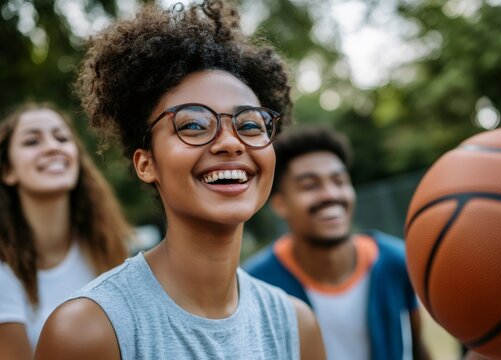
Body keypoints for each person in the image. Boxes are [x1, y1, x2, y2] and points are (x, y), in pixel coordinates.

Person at [35, 1, 325, 360]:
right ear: (146, 163)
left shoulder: (296, 326)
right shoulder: (88, 331)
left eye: (250, 124)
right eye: (193, 125)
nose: (231, 142)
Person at [244, 125, 432, 360]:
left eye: (339, 181)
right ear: (280, 203)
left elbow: (416, 347)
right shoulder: (256, 284)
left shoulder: (396, 261)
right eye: (310, 185)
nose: (330, 194)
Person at [0, 103, 131, 359]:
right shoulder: (3, 271)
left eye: (61, 137)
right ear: (8, 171)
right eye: (31, 141)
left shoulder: (106, 246)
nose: (52, 147)